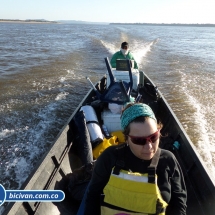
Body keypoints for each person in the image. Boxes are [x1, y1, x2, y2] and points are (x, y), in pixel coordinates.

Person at [76, 103, 187, 215]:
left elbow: (179, 204)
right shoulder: (109, 157)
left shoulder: (168, 160)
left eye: (153, 137)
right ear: (126, 138)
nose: (149, 146)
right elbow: (93, 197)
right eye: (139, 140)